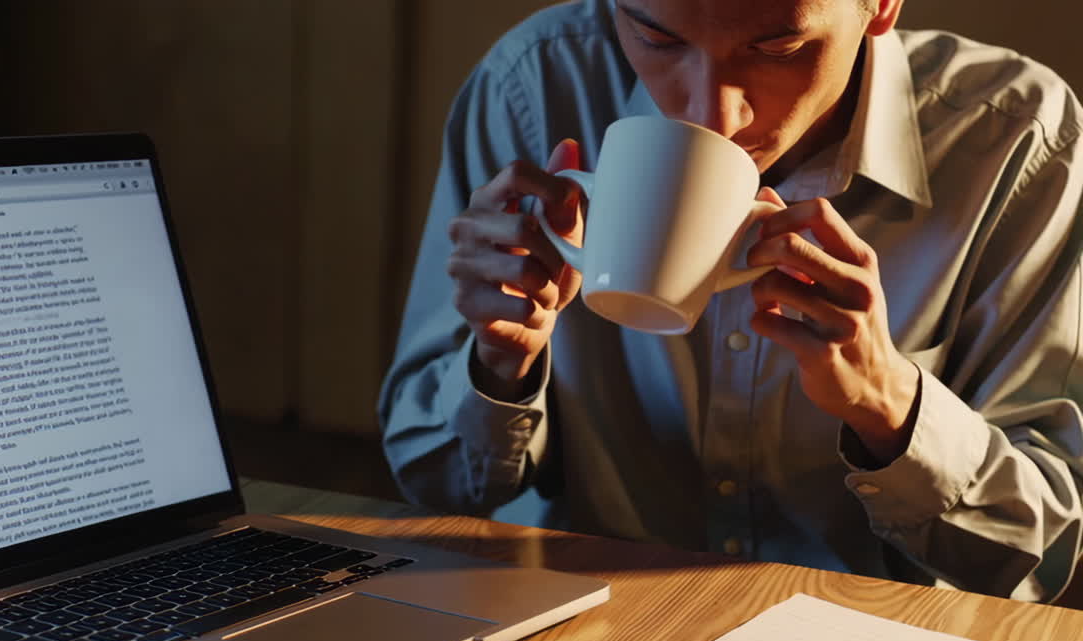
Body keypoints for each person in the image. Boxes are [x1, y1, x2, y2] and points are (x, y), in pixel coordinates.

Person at [378, 0, 1083, 601]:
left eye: (779, 45)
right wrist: (502, 364)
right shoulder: (532, 88)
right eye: (657, 39)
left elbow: (1039, 558)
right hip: (582, 623)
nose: (713, 114)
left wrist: (888, 402)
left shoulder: (1015, 138)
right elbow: (433, 486)